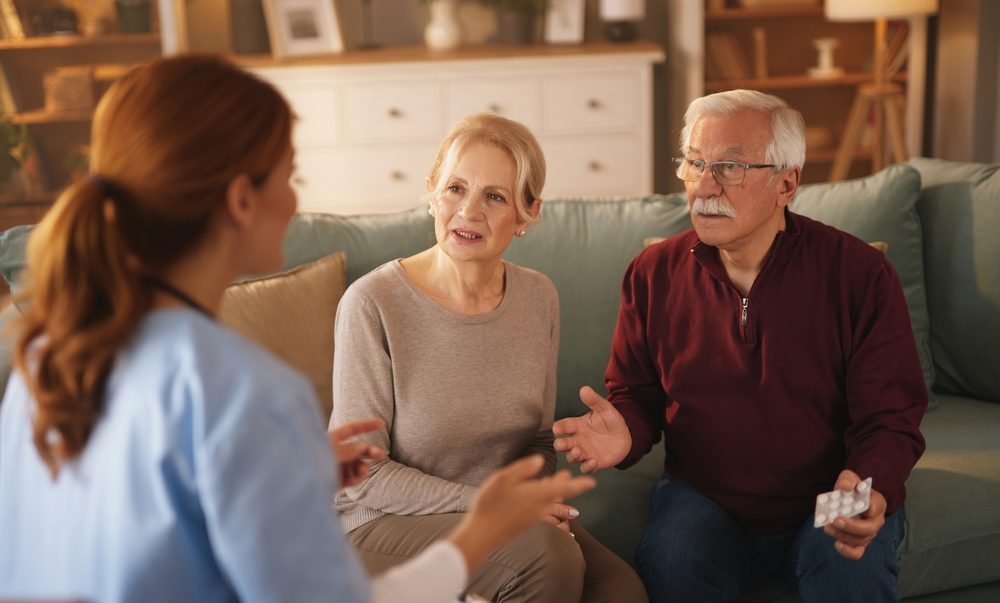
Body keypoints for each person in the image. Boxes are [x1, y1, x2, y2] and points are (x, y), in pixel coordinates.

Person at [0, 55, 596, 603]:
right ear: (240, 200)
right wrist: (480, 529)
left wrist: (291, 472)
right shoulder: (246, 392)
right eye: (288, 174)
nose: (294, 199)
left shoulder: (49, 359)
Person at [552, 89, 928, 602]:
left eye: (730, 167)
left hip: (827, 490)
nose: (705, 185)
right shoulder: (652, 273)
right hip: (705, 496)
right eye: (695, 163)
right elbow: (637, 397)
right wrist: (626, 433)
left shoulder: (859, 275)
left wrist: (865, 483)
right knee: (672, 560)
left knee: (848, 568)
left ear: (787, 182)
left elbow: (890, 418)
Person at [332, 113, 648, 603]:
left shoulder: (538, 297)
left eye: (495, 196)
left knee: (621, 591)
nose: (469, 211)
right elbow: (364, 475)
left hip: (502, 518)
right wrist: (491, 506)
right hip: (380, 525)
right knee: (549, 558)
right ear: (432, 191)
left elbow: (538, 441)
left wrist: (535, 499)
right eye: (456, 188)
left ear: (526, 215)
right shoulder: (372, 302)